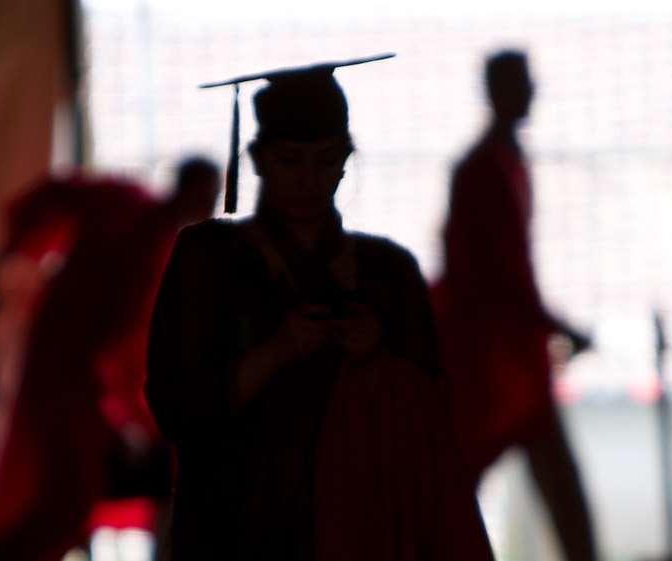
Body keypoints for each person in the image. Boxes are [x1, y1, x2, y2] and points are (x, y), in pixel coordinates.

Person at [145, 56, 494, 560]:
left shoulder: (388, 272)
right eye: (290, 160)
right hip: (231, 531)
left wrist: (376, 364)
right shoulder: (209, 259)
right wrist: (273, 354)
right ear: (259, 159)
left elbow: (432, 429)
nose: (310, 180)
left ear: (347, 158)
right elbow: (173, 406)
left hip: (360, 532)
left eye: (327, 159)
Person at [0, 157, 220, 561]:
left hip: (69, 382)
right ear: (196, 195)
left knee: (64, 506)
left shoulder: (139, 220)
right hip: (69, 385)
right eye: (211, 199)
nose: (212, 211)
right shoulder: (141, 231)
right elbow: (112, 352)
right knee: (65, 507)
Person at [430, 50, 597, 561]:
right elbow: (498, 274)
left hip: (503, 359)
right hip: (494, 362)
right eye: (519, 82)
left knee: (472, 483)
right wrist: (557, 326)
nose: (529, 93)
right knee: (543, 488)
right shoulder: (488, 168)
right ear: (496, 90)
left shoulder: (495, 163)